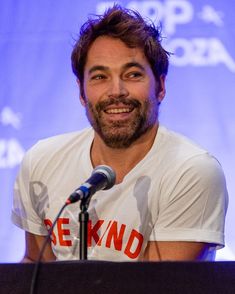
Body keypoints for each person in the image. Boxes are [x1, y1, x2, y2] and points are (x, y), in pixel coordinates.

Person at [12, 5, 228, 263]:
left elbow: (163, 287)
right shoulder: (41, 162)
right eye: (100, 76)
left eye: (133, 74)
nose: (116, 91)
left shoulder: (191, 172)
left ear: (160, 87)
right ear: (81, 92)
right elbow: (36, 269)